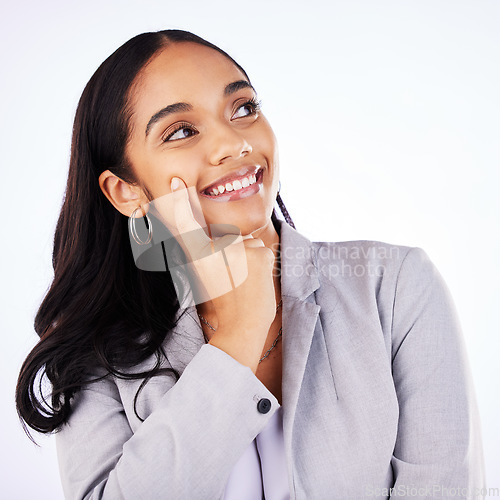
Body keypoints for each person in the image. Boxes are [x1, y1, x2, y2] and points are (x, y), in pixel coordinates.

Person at [16, 29, 486, 499]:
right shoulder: (93, 354)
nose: (233, 143)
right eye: (181, 131)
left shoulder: (396, 286)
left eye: (243, 108)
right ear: (127, 191)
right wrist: (236, 339)